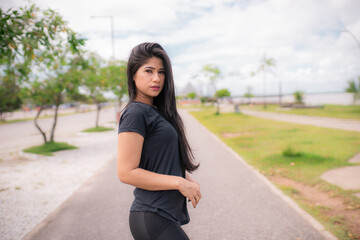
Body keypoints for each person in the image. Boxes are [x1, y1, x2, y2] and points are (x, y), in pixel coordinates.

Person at [117, 42, 201, 240]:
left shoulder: (155, 111)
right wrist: (179, 183)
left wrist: (186, 178)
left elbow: (158, 159)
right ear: (133, 74)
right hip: (151, 215)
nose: (157, 78)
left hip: (162, 215)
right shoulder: (135, 113)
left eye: (161, 72)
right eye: (149, 71)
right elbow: (126, 172)